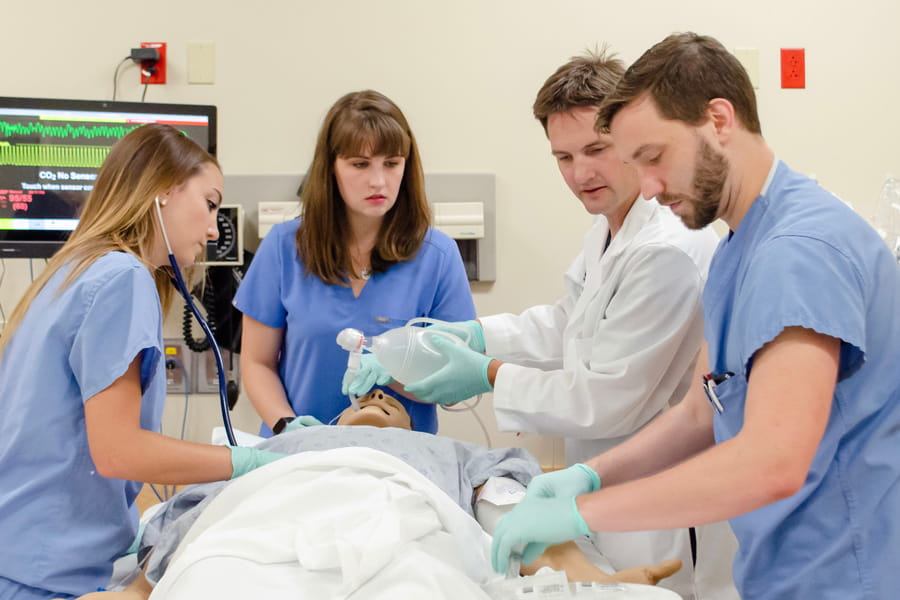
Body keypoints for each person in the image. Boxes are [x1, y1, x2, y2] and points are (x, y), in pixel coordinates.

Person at [491, 32, 900, 600]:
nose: (651, 188)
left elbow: (772, 461)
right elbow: (699, 413)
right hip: (779, 570)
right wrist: (587, 476)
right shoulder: (740, 245)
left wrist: (586, 511)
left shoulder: (798, 252)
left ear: (719, 119)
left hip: (842, 577)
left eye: (655, 158)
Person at [345, 50, 736, 599]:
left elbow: (608, 396)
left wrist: (488, 373)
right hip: (602, 487)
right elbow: (568, 323)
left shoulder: (667, 249)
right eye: (564, 156)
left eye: (597, 149)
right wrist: (474, 336)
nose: (581, 173)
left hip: (659, 504)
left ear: (628, 135)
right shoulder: (608, 230)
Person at [0, 124, 286, 600]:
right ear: (162, 193)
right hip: (49, 573)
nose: (215, 229)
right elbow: (118, 451)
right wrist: (246, 463)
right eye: (210, 203)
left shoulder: (69, 271)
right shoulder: (120, 278)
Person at [75, 391, 682, 600]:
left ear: (414, 427)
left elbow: (516, 521)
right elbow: (166, 543)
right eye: (367, 400)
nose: (378, 401)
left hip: (404, 532)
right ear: (328, 418)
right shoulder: (261, 457)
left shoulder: (453, 455)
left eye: (392, 403)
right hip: (247, 538)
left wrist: (592, 583)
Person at [234, 89, 475, 436]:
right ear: (331, 168)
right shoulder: (284, 249)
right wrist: (286, 427)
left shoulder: (437, 257)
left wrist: (394, 371)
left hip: (400, 459)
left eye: (391, 163)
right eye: (360, 164)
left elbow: (456, 380)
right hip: (298, 455)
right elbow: (257, 363)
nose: (378, 180)